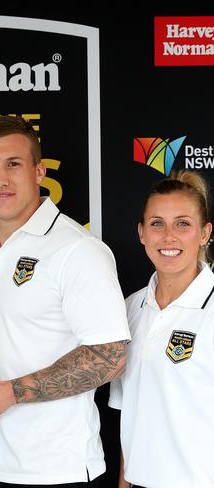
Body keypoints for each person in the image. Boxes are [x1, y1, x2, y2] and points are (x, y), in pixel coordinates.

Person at [0, 115, 131, 487]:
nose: (0, 179)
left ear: (39, 171)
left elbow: (109, 356)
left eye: (13, 164)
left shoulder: (78, 250)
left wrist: (11, 393)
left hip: (57, 470)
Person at [109, 171, 214, 488]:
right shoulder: (128, 308)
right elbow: (131, 412)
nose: (169, 236)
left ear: (205, 233)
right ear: (141, 232)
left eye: (183, 223)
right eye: (157, 223)